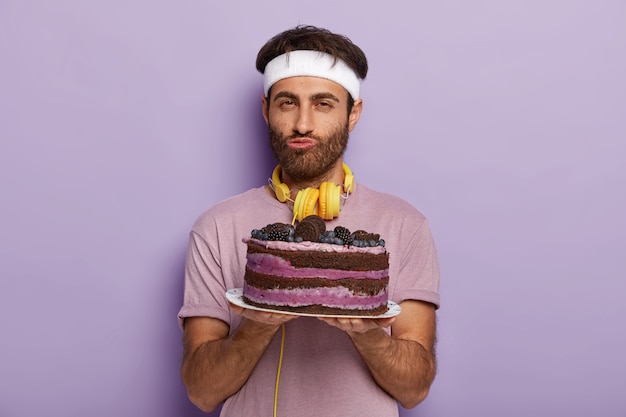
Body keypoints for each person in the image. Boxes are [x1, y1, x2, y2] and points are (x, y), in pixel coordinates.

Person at [178, 25, 440, 417]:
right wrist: (259, 322)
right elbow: (201, 393)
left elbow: (415, 389)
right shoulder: (216, 226)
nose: (302, 124)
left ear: (353, 113)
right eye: (287, 103)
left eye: (323, 103)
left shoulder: (405, 224)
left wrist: (367, 332)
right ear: (266, 109)